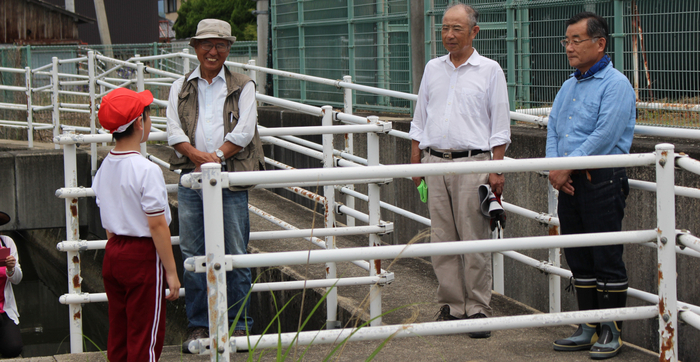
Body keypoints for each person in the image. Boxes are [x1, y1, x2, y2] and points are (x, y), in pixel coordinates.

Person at [409, 3, 511, 339]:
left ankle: (478, 308)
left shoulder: (490, 70)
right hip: (434, 161)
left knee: (474, 239)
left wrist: (496, 169)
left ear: (474, 32)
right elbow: (420, 117)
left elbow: (500, 124)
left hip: (474, 163)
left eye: (457, 29)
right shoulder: (433, 68)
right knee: (442, 239)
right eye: (444, 29)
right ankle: (453, 306)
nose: (449, 35)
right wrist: (416, 161)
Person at [165, 18, 265, 350]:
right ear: (194, 47)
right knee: (193, 255)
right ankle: (199, 325)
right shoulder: (179, 87)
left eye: (220, 44)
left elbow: (244, 131)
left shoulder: (243, 85)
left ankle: (240, 327)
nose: (213, 50)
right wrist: (198, 156)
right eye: (206, 44)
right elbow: (173, 131)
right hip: (192, 181)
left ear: (228, 49)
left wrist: (216, 157)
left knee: (235, 253)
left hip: (230, 180)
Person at [546, 12, 635, 359]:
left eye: (576, 40)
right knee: (578, 255)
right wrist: (556, 168)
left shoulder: (616, 85)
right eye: (566, 41)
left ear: (600, 44)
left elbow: (605, 135)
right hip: (569, 182)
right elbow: (553, 128)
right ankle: (587, 326)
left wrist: (566, 167)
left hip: (602, 180)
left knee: (606, 255)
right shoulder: (569, 85)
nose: (569, 47)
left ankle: (612, 330)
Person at [93, 87, 181, 362]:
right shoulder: (146, 169)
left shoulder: (104, 166)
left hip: (114, 251)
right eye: (147, 115)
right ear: (139, 124)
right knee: (146, 335)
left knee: (119, 330)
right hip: (142, 255)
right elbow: (157, 226)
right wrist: (171, 271)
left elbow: (107, 219)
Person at [0, 211, 23, 358]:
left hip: (4, 308)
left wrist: (11, 268)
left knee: (13, 348)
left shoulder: (6, 242)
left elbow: (17, 279)